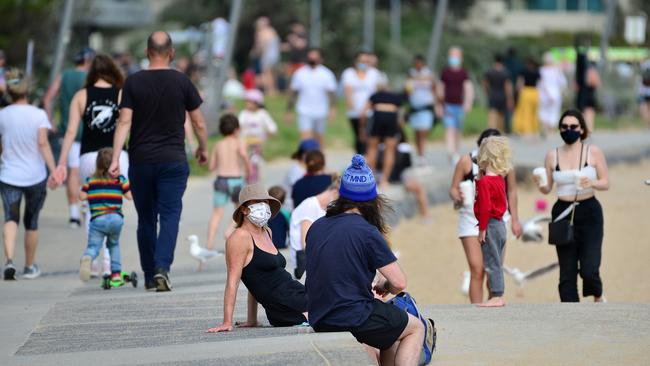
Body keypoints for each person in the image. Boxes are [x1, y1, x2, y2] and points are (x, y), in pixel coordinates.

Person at [109, 31, 209, 292]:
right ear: (172, 52)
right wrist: (203, 148)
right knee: (170, 215)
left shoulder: (133, 82)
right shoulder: (182, 81)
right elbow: (198, 121)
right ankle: (163, 268)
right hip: (173, 160)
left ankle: (149, 273)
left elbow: (124, 121)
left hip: (140, 160)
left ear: (146, 51)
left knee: (145, 219)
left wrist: (116, 157)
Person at [306, 155, 424, 366]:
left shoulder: (317, 226)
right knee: (415, 329)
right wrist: (386, 285)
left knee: (389, 334)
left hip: (319, 315)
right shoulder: (366, 231)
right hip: (352, 315)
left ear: (341, 195)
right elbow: (399, 283)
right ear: (372, 199)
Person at [55, 53, 128, 277]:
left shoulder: (81, 95)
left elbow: (70, 131)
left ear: (91, 72)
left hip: (88, 157)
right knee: (114, 206)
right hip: (117, 156)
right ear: (113, 71)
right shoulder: (121, 94)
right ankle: (109, 261)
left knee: (91, 209)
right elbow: (127, 124)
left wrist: (61, 163)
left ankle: (92, 257)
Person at [206, 184, 308, 332]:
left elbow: (256, 275)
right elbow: (233, 282)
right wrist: (227, 322)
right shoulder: (239, 237)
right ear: (244, 209)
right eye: (257, 202)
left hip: (295, 291)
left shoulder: (267, 231)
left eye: (265, 202)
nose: (263, 206)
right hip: (284, 304)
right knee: (331, 313)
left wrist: (252, 319)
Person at [533, 109, 609, 302]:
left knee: (589, 269)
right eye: (564, 127)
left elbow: (605, 182)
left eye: (573, 126)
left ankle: (598, 296)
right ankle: (572, 318)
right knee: (567, 274)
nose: (569, 130)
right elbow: (548, 188)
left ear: (581, 128)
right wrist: (540, 184)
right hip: (562, 213)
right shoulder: (552, 156)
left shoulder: (592, 152)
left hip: (589, 210)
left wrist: (591, 183)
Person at [449, 129, 522, 304]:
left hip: (493, 220)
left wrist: (515, 219)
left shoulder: (503, 165)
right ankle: (478, 307)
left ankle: (494, 300)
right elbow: (453, 188)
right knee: (477, 269)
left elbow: (511, 191)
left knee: (492, 266)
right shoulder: (467, 161)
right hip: (469, 220)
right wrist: (458, 196)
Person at [0, 69, 57, 280]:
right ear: (27, 90)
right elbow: (43, 143)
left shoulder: (2, 115)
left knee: (10, 218)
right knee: (31, 222)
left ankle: (8, 260)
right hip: (35, 175)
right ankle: (30, 266)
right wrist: (54, 170)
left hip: (8, 175)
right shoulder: (38, 114)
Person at [43, 47, 95, 228]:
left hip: (68, 131)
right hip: (89, 131)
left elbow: (48, 97)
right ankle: (87, 205)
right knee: (90, 171)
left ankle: (73, 214)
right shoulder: (90, 78)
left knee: (72, 172)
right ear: (89, 60)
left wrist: (50, 121)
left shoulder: (64, 76)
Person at [79, 148, 132, 285]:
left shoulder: (90, 180)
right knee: (113, 244)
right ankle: (115, 274)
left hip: (98, 219)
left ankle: (88, 257)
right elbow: (129, 196)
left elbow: (82, 196)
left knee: (93, 246)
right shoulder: (120, 180)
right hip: (116, 219)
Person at [474, 136, 512, 308]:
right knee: (497, 260)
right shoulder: (499, 179)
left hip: (489, 224)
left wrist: (482, 230)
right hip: (501, 224)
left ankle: (497, 295)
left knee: (491, 261)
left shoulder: (484, 182)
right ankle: (498, 294)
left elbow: (485, 207)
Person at [207, 114, 251, 250]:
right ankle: (228, 231)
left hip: (221, 180)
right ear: (237, 129)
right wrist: (249, 171)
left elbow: (211, 166)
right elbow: (244, 156)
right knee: (239, 209)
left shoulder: (218, 144)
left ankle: (209, 243)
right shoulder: (239, 142)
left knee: (216, 213)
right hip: (236, 180)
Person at [375, 129, 431, 221]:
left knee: (418, 187)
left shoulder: (403, 149)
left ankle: (426, 214)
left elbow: (406, 167)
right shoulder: (380, 149)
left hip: (400, 174)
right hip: (383, 176)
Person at [285, 48, 337, 147]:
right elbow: (294, 93)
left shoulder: (326, 74)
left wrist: (333, 108)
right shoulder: (300, 73)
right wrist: (288, 111)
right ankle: (304, 160)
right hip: (304, 110)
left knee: (319, 139)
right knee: (305, 139)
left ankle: (320, 160)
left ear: (320, 59)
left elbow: (332, 93)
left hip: (321, 111)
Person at [290, 177, 339, 279]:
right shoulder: (310, 205)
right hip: (303, 261)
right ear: (334, 192)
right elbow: (305, 243)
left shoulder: (321, 208)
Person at [361, 81, 403, 190]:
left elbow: (363, 113)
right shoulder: (396, 97)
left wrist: (363, 128)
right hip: (391, 118)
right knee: (389, 150)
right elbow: (400, 118)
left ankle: (372, 177)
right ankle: (384, 180)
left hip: (378, 117)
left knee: (372, 148)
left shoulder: (375, 96)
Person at [342, 51, 381, 154]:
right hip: (355, 112)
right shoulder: (349, 73)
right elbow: (348, 92)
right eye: (361, 61)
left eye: (366, 61)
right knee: (358, 136)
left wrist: (366, 108)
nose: (364, 63)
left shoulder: (374, 73)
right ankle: (359, 160)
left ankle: (368, 160)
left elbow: (376, 93)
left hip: (370, 112)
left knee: (367, 137)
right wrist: (356, 109)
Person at [439, 47, 473, 163]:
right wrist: (439, 104)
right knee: (449, 129)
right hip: (448, 105)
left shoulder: (464, 73)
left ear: (461, 58)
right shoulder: (445, 72)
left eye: (456, 56)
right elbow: (441, 88)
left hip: (460, 106)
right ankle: (450, 152)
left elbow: (468, 88)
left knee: (457, 130)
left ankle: (456, 151)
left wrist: (468, 103)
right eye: (452, 56)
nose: (454, 58)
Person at [238, 89, 277, 183]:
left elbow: (272, 128)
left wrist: (265, 136)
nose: (247, 104)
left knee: (257, 163)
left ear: (256, 103)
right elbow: (238, 126)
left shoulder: (262, 114)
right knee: (246, 163)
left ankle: (256, 181)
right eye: (246, 101)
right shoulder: (244, 114)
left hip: (258, 144)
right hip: (246, 143)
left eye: (249, 102)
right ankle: (247, 180)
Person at [405, 54, 439, 160]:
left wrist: (437, 104)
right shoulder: (411, 73)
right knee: (417, 132)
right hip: (415, 106)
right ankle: (420, 155)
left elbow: (434, 88)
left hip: (426, 106)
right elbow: (407, 90)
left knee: (423, 131)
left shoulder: (429, 74)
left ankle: (422, 154)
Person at [282, 139, 319, 209]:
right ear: (303, 155)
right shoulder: (296, 171)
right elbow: (300, 192)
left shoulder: (307, 167)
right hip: (290, 208)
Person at [538, 52, 567, 137]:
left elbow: (540, 83)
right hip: (555, 93)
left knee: (543, 111)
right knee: (554, 112)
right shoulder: (556, 70)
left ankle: (545, 128)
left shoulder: (541, 70)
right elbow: (563, 83)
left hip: (543, 94)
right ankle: (550, 130)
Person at [482, 54, 513, 132]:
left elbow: (485, 83)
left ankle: (491, 131)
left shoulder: (490, 71)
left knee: (492, 114)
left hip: (493, 94)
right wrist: (510, 98)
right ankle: (499, 132)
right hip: (503, 96)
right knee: (501, 116)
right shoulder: (505, 72)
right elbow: (508, 86)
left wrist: (487, 92)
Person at [251, 17, 280, 95]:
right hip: (275, 55)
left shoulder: (261, 33)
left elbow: (260, 45)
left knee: (267, 73)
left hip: (267, 54)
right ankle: (275, 89)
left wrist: (256, 53)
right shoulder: (272, 31)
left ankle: (270, 91)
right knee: (273, 73)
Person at [575, 42, 600, 133]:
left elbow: (592, 82)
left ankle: (586, 127)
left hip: (586, 93)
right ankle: (589, 127)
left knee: (585, 110)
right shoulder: (593, 71)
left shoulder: (588, 71)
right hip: (590, 93)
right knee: (589, 111)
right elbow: (597, 84)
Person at [513, 58, 541, 136]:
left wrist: (517, 91)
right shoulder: (537, 72)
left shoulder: (523, 72)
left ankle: (526, 129)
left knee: (525, 111)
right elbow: (540, 83)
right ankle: (534, 128)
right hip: (535, 92)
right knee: (534, 112)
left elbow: (519, 83)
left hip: (526, 92)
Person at [503, 47, 523, 134]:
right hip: (515, 89)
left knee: (505, 109)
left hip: (503, 88)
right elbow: (520, 78)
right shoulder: (518, 64)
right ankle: (514, 127)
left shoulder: (505, 63)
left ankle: (506, 127)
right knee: (514, 109)